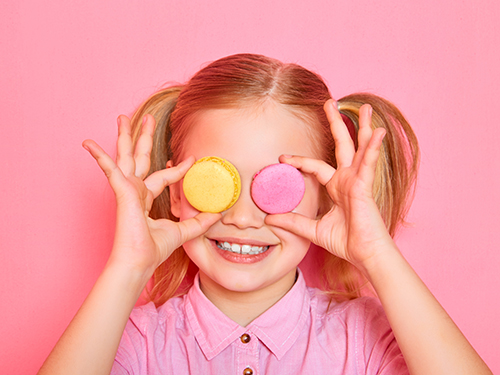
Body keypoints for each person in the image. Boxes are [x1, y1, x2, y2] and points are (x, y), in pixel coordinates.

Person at [38, 53, 492, 374]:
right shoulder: (130, 340)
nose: (242, 217)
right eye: (214, 184)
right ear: (176, 194)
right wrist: (127, 268)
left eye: (277, 186)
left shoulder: (365, 338)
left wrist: (376, 253)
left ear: (325, 201)